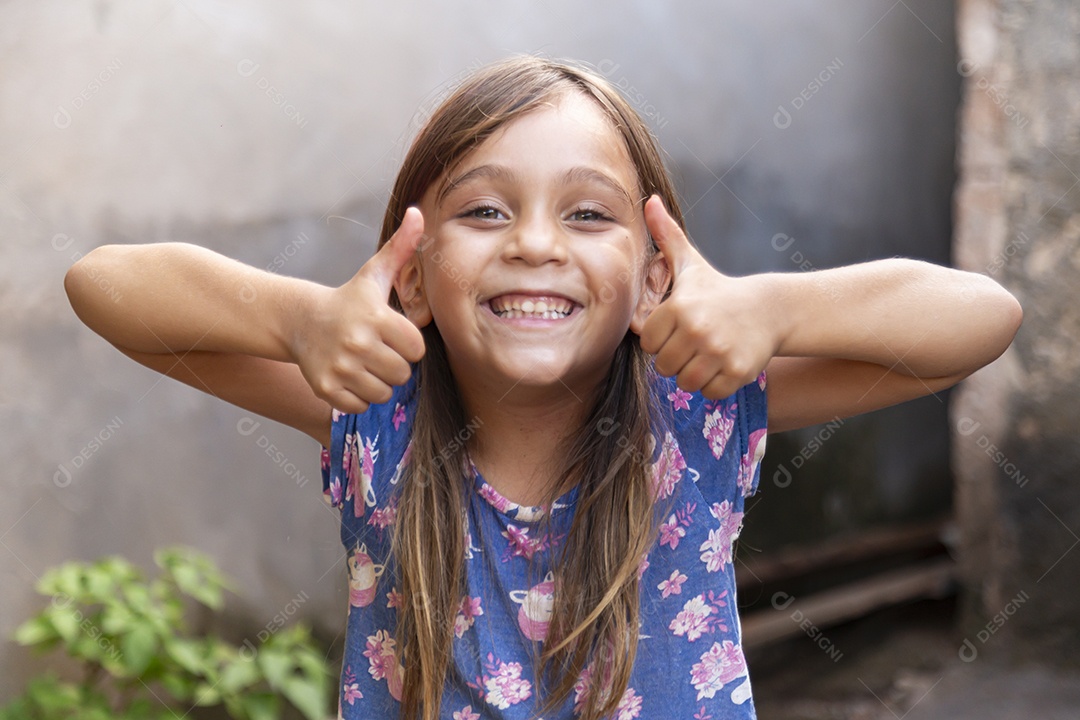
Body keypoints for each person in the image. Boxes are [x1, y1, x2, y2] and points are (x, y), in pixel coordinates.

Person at [64, 55, 1022, 720]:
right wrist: (298, 317)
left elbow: (978, 317)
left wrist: (772, 307)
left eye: (587, 213)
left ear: (655, 275)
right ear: (412, 273)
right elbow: (105, 286)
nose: (533, 242)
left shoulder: (696, 409)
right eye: (484, 209)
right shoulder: (373, 415)